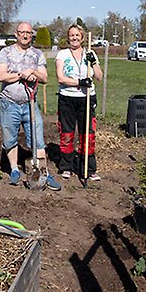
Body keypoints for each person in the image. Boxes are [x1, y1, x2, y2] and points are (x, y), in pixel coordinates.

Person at [0, 22, 61, 191]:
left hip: (30, 104)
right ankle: (15, 170)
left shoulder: (37, 54)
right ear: (16, 34)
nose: (25, 35)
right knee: (10, 138)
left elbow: (45, 78)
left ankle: (43, 173)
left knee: (38, 140)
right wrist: (20, 75)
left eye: (28, 33)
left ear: (32, 35)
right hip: (9, 103)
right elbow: (1, 76)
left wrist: (33, 71)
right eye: (22, 32)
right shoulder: (6, 52)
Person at [55, 24, 103, 181]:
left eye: (77, 35)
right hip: (67, 99)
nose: (74, 38)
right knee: (67, 133)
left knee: (87, 134)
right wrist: (79, 82)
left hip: (87, 98)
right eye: (72, 35)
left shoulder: (90, 53)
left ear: (82, 38)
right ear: (68, 37)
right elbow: (60, 78)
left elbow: (99, 77)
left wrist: (93, 62)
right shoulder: (62, 54)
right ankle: (66, 167)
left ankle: (88, 169)